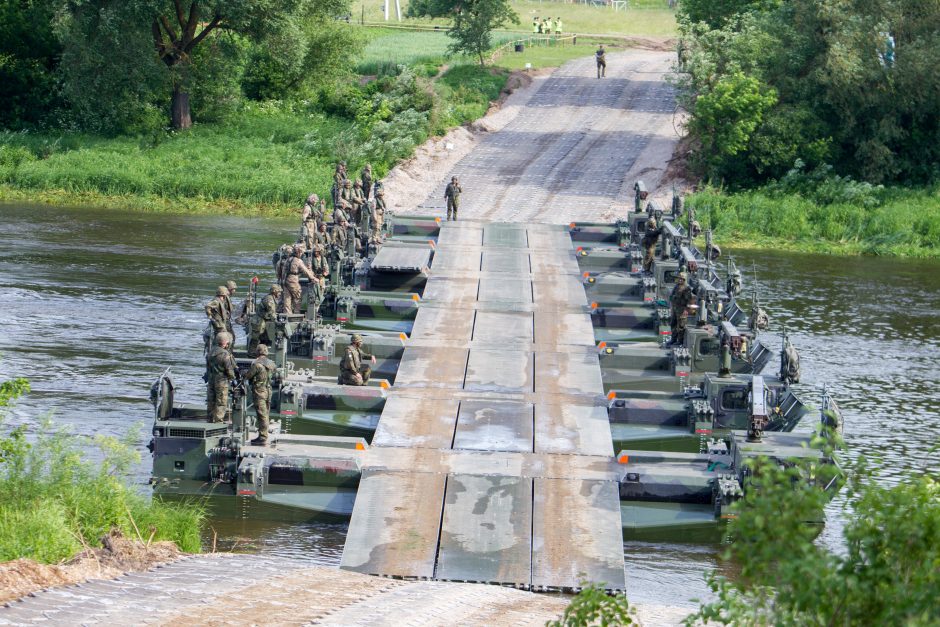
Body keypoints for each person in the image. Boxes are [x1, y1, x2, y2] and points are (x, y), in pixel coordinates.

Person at [247, 344, 277, 446]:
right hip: (268, 390)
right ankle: (263, 435)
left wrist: (242, 373)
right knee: (265, 413)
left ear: (258, 352)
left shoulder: (257, 364)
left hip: (259, 391)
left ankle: (263, 437)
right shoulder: (271, 363)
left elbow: (248, 376)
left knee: (261, 415)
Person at [206, 332, 236, 423]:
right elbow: (229, 370)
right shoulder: (225, 354)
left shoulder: (211, 351)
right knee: (221, 402)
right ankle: (218, 422)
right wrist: (232, 378)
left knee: (211, 400)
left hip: (211, 380)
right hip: (221, 381)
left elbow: (208, 367)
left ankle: (210, 419)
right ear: (225, 342)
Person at [281, 245, 317, 314]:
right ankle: (296, 315)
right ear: (299, 252)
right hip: (293, 281)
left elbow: (283, 271)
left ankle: (287, 315)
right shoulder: (298, 261)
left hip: (285, 280)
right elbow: (306, 271)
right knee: (297, 297)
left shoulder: (288, 259)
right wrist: (313, 278)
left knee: (287, 299)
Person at [249, 284, 281, 357]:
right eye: (279, 292)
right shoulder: (269, 299)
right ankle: (251, 354)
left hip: (263, 320)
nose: (280, 294)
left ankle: (261, 353)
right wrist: (276, 321)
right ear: (274, 292)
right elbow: (271, 312)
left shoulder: (272, 298)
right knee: (256, 338)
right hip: (259, 321)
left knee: (264, 338)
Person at [669, 271, 696, 347]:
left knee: (681, 326)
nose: (680, 280)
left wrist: (686, 310)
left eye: (682, 279)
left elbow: (690, 300)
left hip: (682, 309)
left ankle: (680, 341)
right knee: (673, 324)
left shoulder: (687, 289)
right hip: (675, 308)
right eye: (679, 278)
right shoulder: (677, 286)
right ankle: (673, 339)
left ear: (684, 280)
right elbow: (672, 295)